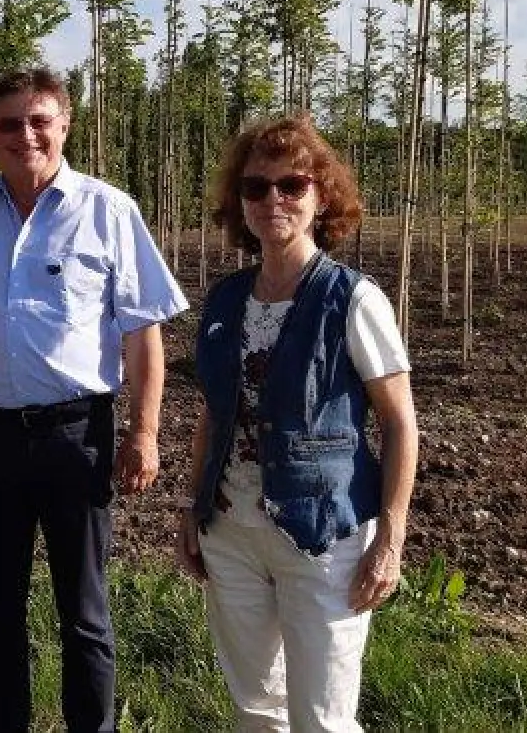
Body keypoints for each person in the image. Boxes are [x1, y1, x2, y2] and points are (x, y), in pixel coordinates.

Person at [0, 67, 187, 732]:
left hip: (78, 436)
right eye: (10, 123)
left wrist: (144, 432)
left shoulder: (109, 210)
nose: (26, 135)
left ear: (65, 125)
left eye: (40, 120)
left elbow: (143, 331)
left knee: (85, 611)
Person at [177, 114, 419, 732]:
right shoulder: (228, 299)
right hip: (231, 531)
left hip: (323, 537)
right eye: (256, 188)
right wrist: (192, 508)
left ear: (322, 196)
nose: (273, 200)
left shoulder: (353, 300)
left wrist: (389, 542)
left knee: (322, 717)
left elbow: (399, 424)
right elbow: (214, 410)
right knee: (256, 707)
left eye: (292, 185)